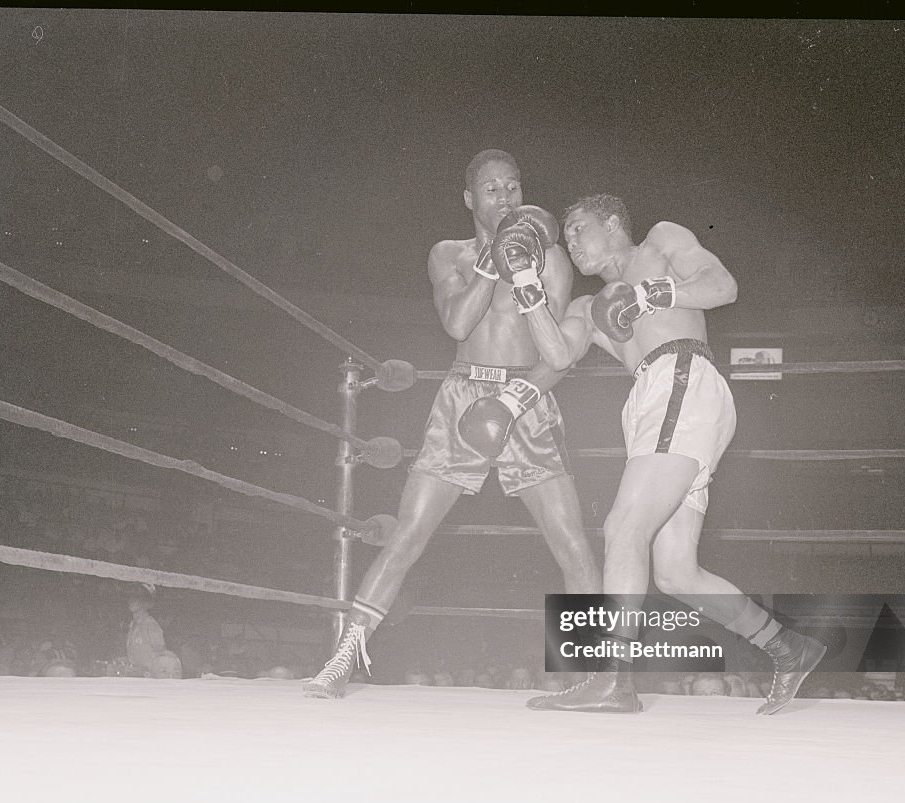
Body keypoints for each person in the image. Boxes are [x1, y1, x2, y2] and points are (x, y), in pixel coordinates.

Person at [304, 149, 600, 699]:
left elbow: (556, 351)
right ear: (470, 199)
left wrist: (526, 273)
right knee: (408, 533)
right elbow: (458, 321)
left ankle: (590, 676)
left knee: (571, 541)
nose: (506, 197)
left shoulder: (552, 258)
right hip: (461, 399)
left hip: (525, 399)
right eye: (493, 189)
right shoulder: (449, 254)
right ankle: (343, 656)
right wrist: (493, 259)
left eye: (514, 187)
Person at [521, 193, 825, 715]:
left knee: (622, 529)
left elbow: (722, 287)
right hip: (651, 400)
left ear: (613, 223)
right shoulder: (586, 308)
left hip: (681, 376)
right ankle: (789, 648)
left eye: (577, 229)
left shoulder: (660, 241)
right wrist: (528, 291)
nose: (570, 244)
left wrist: (648, 296)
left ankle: (611, 678)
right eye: (565, 237)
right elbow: (558, 355)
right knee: (675, 572)